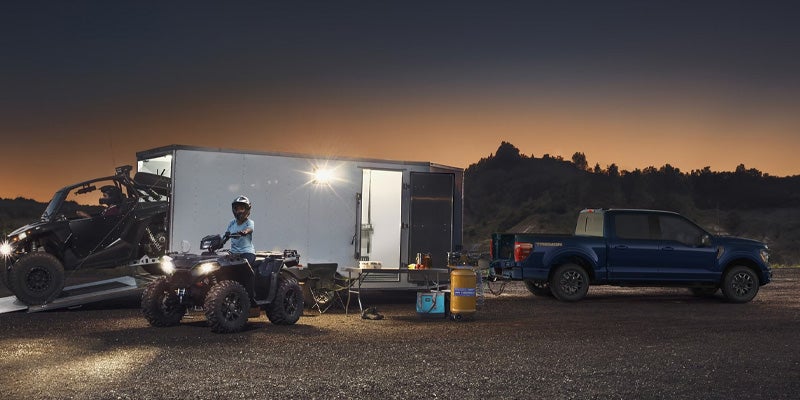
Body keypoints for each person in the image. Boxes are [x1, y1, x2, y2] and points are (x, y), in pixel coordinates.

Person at [225, 195, 256, 267]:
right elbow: (226, 235)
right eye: (237, 209)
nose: (239, 211)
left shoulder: (249, 222)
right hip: (233, 253)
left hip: (247, 252)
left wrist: (245, 232)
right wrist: (220, 241)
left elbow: (250, 229)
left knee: (243, 268)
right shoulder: (232, 223)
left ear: (247, 209)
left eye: (241, 208)